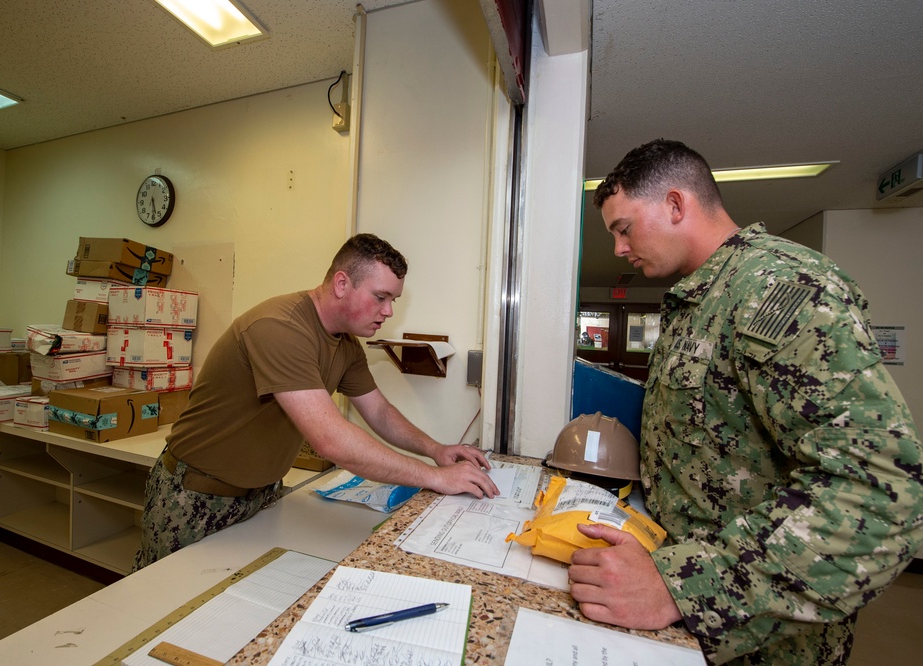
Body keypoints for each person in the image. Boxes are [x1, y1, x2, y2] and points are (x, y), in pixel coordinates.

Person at [568, 139, 923, 665]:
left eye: (624, 228)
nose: (619, 249)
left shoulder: (780, 287)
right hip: (695, 618)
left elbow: (879, 493)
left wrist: (683, 587)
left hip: (764, 638)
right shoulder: (697, 300)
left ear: (674, 204)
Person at [134, 233, 498, 569]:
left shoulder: (345, 344)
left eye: (394, 300)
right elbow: (330, 439)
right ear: (342, 283)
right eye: (381, 297)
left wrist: (435, 449)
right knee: (163, 612)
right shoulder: (280, 327)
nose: (388, 311)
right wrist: (435, 477)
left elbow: (381, 412)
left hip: (261, 496)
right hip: (196, 496)